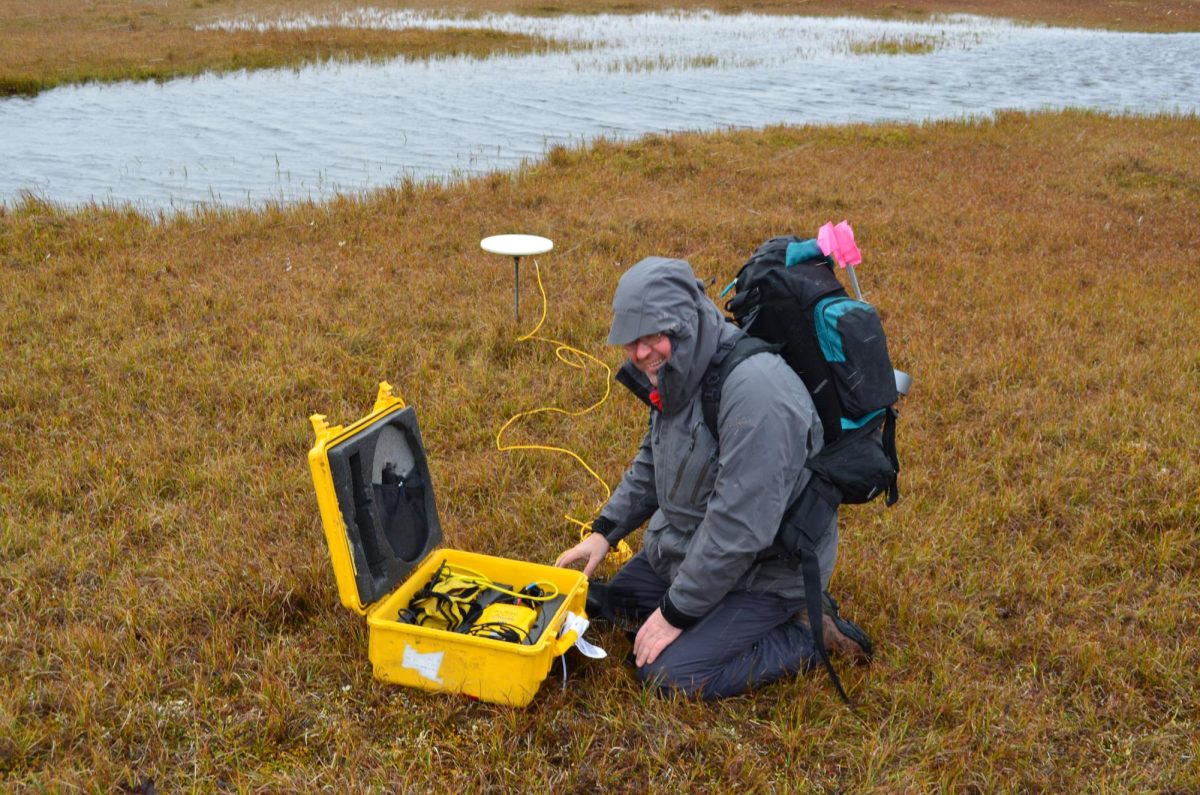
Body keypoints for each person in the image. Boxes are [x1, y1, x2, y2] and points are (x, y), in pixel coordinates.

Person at [555, 255, 870, 699]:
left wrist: (674, 614)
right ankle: (699, 606)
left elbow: (738, 529)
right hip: (688, 543)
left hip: (768, 573)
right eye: (630, 341)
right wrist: (605, 531)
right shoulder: (678, 369)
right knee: (611, 605)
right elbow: (654, 458)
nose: (640, 352)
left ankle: (804, 631)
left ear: (684, 323)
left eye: (652, 336)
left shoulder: (757, 395)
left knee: (666, 675)